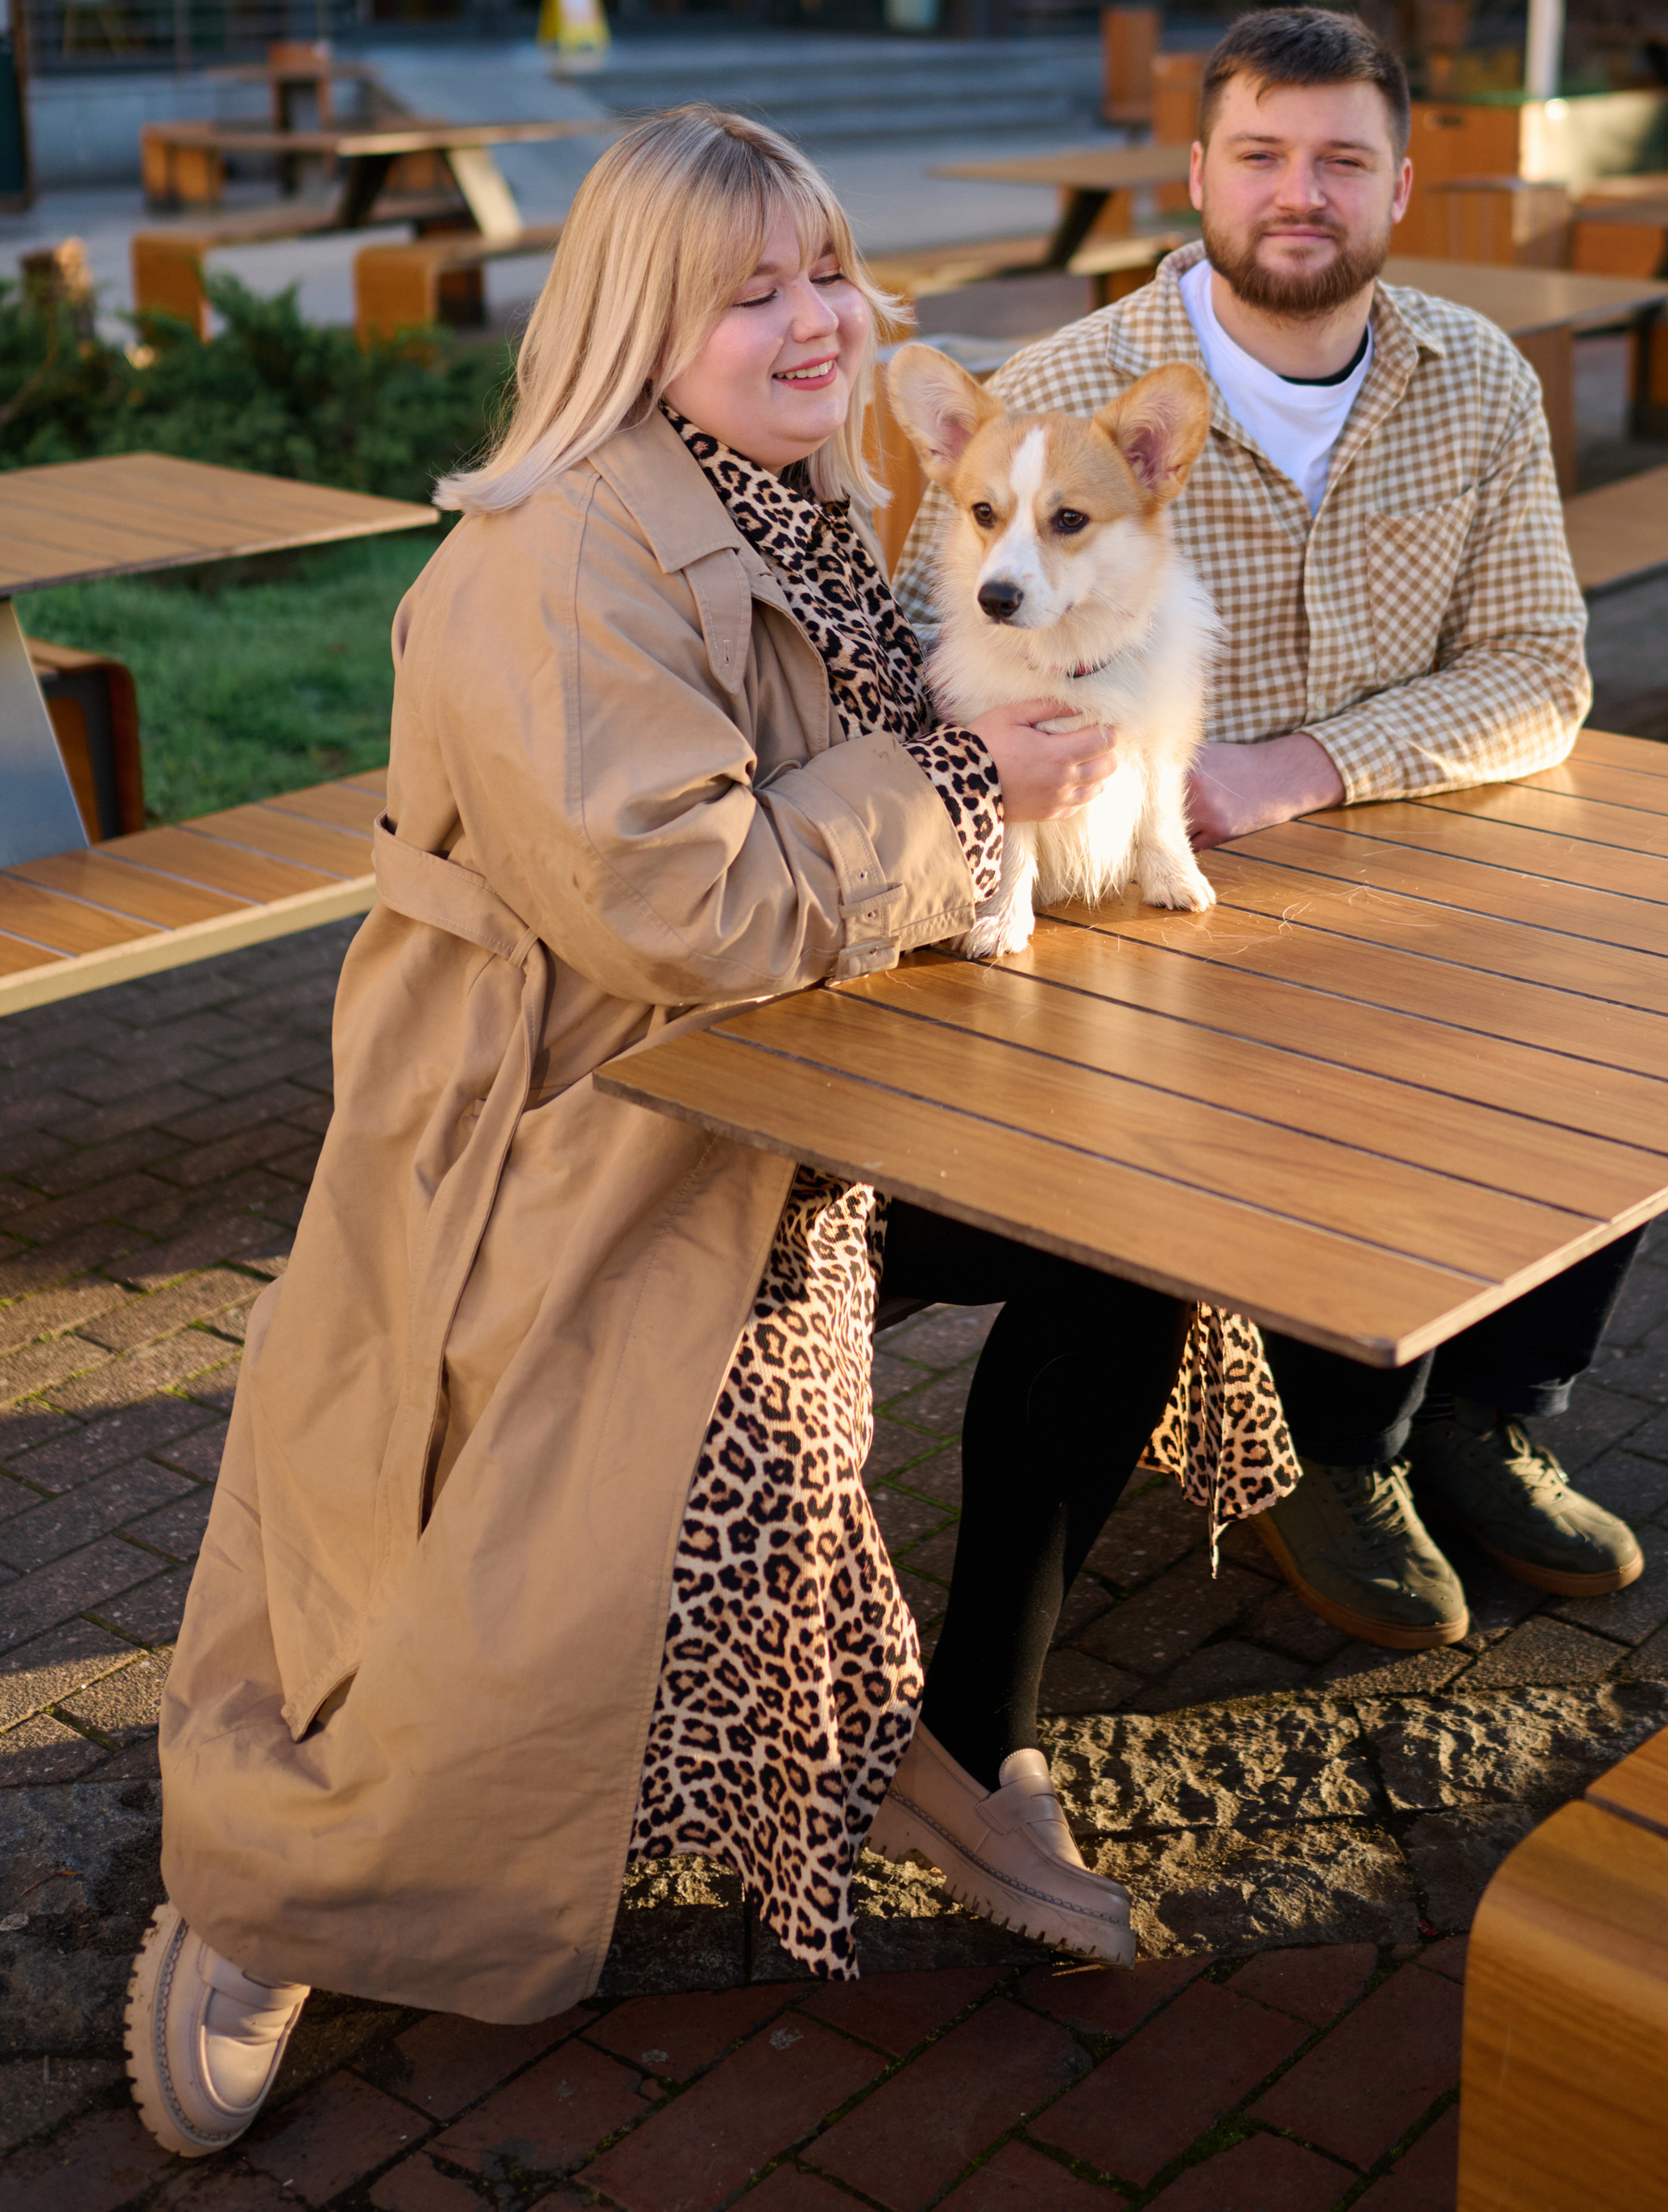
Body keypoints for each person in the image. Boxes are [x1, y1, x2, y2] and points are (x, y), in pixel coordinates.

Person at [133, 110, 1294, 2163]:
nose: (810, 319)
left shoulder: (790, 495)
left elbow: (892, 774)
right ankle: (276, 1888)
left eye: (825, 272)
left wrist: (1040, 790)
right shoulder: (560, 551)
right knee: (574, 1521)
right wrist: (966, 798)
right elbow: (677, 905)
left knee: (1131, 1234)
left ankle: (957, 1736)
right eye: (747, 292)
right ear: (635, 323)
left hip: (796, 1090)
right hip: (577, 1131)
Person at [899, 4, 1646, 1655]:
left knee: (1631, 1023)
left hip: (1389, 845)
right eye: (1258, 154)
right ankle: (1344, 1450)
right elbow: (933, 645)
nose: (1295, 191)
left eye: (1337, 158)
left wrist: (1297, 762)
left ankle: (1489, 1408)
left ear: (1396, 184)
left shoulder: (1476, 381)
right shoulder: (1064, 396)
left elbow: (1539, 664)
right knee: (1299, 1072)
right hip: (1141, 907)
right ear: (1197, 174)